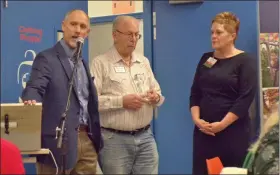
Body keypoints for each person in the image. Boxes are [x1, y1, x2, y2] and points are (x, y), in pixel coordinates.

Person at [21, 9, 102, 174]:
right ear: (63, 26)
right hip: (58, 143)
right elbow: (34, 88)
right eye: (73, 24)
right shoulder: (47, 58)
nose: (77, 30)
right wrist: (31, 100)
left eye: (82, 26)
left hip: (86, 140)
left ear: (87, 32)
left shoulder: (83, 63)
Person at [90, 15, 164, 174]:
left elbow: (158, 92)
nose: (134, 39)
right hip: (114, 141)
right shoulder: (100, 63)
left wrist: (155, 97)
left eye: (137, 34)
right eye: (129, 34)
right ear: (115, 35)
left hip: (145, 138)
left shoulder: (143, 62)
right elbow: (92, 102)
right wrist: (121, 102)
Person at [189, 12, 258, 175]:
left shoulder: (245, 61)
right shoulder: (206, 59)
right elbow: (195, 93)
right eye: (212, 32)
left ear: (232, 35)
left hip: (232, 134)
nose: (213, 36)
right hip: (204, 133)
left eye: (219, 32)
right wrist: (197, 120)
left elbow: (244, 99)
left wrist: (221, 125)